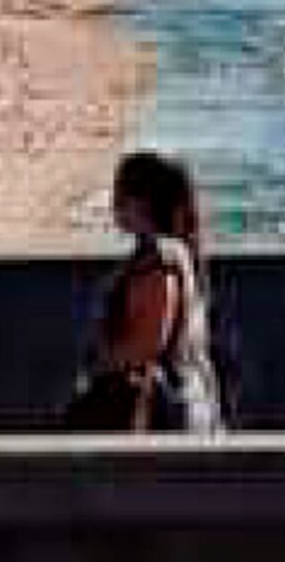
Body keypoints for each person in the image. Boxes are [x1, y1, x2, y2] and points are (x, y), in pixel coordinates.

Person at [74, 148, 223, 436]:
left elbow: (149, 344)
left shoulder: (159, 262)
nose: (113, 204)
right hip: (183, 407)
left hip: (157, 416)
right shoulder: (176, 252)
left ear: (141, 202)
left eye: (119, 195)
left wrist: (96, 366)